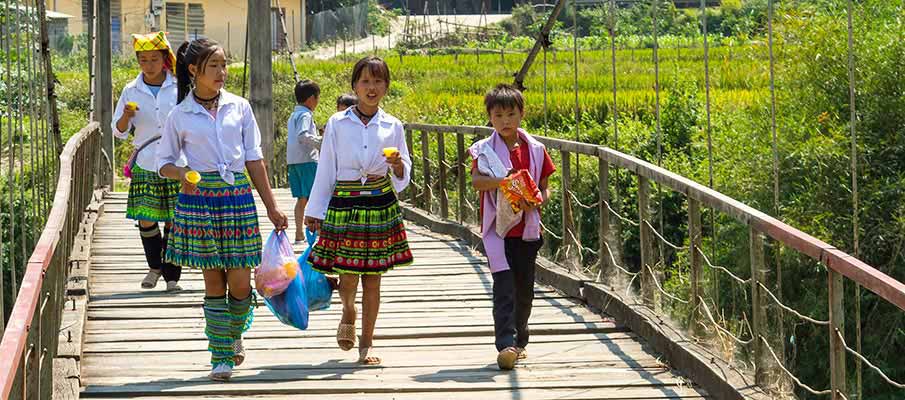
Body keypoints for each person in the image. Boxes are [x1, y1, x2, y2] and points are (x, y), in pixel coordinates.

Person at [156, 38, 288, 381]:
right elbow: (163, 163)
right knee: (214, 282)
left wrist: (272, 206)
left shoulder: (240, 108)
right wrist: (183, 172)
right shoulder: (179, 115)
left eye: (224, 65)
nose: (222, 73)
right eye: (213, 66)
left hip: (237, 198)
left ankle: (233, 331)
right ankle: (221, 355)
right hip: (200, 202)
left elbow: (254, 159)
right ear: (194, 71)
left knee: (242, 284)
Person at [305, 56, 413, 366]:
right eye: (365, 81)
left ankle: (367, 344)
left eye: (378, 81)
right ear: (355, 86)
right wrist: (316, 210)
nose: (372, 87)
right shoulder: (338, 123)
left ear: (386, 87)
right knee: (348, 273)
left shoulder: (393, 125)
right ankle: (348, 310)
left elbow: (404, 176)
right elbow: (327, 168)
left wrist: (397, 166)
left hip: (379, 203)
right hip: (345, 201)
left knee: (374, 278)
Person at [469, 84, 555, 370]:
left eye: (511, 114)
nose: (505, 121)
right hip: (497, 231)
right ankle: (506, 344)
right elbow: (477, 182)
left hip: (528, 231)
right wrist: (504, 182)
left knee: (524, 290)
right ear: (489, 118)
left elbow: (545, 187)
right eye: (498, 115)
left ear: (521, 115)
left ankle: (520, 339)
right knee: (504, 287)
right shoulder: (483, 150)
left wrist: (537, 200)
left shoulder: (536, 150)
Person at [112, 31, 184, 292]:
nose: (148, 65)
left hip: (176, 161)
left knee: (174, 220)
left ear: (165, 59)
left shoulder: (179, 86)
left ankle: (172, 276)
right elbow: (118, 131)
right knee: (146, 218)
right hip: (145, 160)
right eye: (143, 60)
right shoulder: (131, 90)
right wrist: (126, 117)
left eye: (154, 59)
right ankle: (154, 267)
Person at [286, 79, 321, 245]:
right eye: (317, 98)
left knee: (301, 198)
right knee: (316, 196)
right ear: (311, 98)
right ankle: (318, 230)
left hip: (294, 161)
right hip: (307, 160)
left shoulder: (293, 115)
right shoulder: (305, 115)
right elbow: (303, 135)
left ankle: (299, 233)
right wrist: (321, 142)